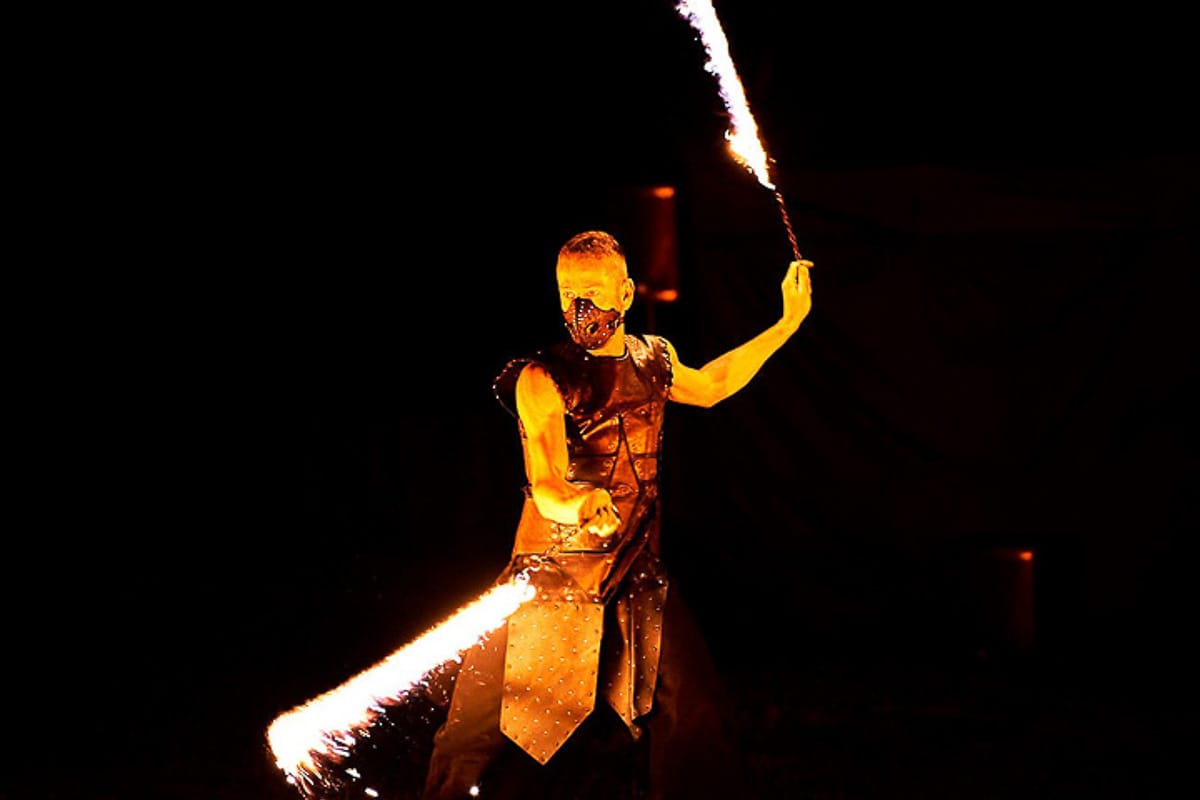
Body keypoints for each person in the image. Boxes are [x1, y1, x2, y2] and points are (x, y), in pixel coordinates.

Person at [422, 230, 813, 799]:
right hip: (548, 581)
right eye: (568, 293)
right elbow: (549, 483)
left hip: (633, 575)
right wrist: (580, 503)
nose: (580, 308)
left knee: (697, 715)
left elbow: (714, 385)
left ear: (626, 293)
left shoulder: (654, 360)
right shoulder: (541, 378)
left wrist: (788, 322)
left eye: (594, 291)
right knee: (470, 741)